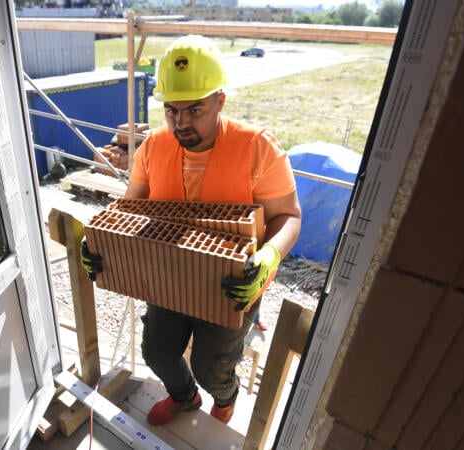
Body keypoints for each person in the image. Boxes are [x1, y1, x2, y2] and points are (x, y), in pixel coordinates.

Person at [81, 35, 301, 425]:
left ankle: (223, 395)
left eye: (194, 109)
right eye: (171, 111)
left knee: (211, 365)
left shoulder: (258, 148)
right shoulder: (154, 148)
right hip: (167, 273)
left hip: (232, 282)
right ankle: (184, 398)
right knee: (158, 352)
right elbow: (130, 206)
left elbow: (289, 217)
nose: (181, 122)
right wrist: (98, 241)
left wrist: (269, 257)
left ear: (220, 100)